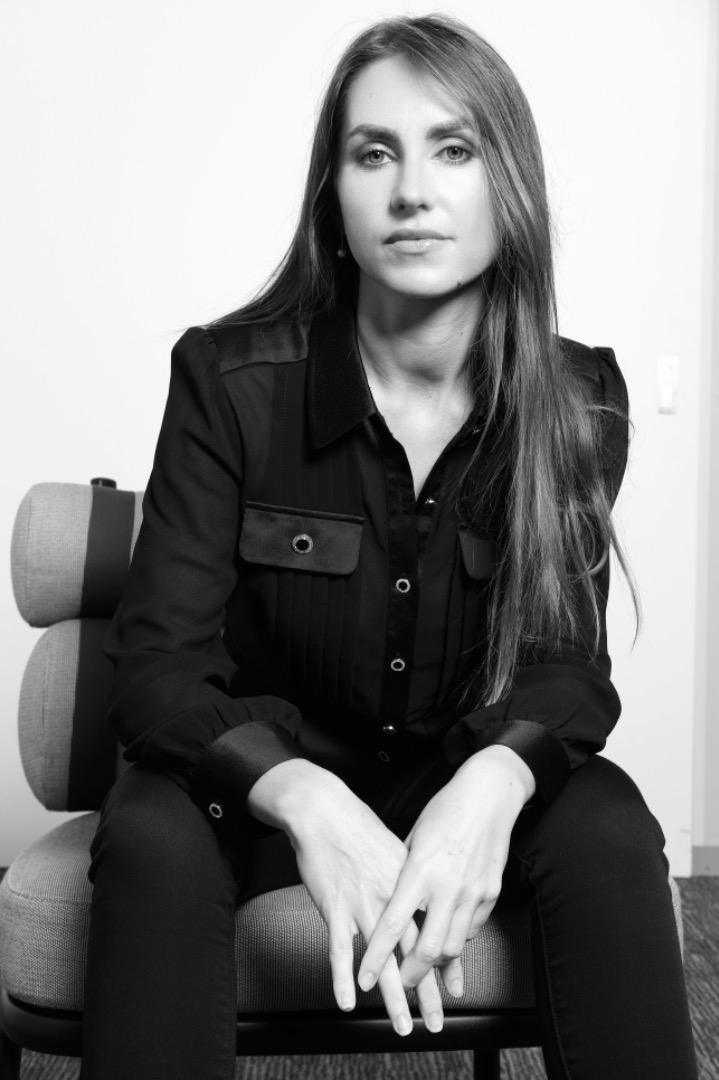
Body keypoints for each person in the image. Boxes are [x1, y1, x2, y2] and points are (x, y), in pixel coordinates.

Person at [82, 13, 698, 1080]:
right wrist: (302, 796)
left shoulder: (578, 398)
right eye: (375, 154)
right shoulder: (226, 382)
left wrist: (492, 783)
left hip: (457, 774)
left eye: (452, 149)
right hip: (263, 785)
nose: (411, 190)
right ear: (334, 195)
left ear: (508, 188)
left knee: (604, 825)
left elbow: (563, 668)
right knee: (149, 831)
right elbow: (158, 671)